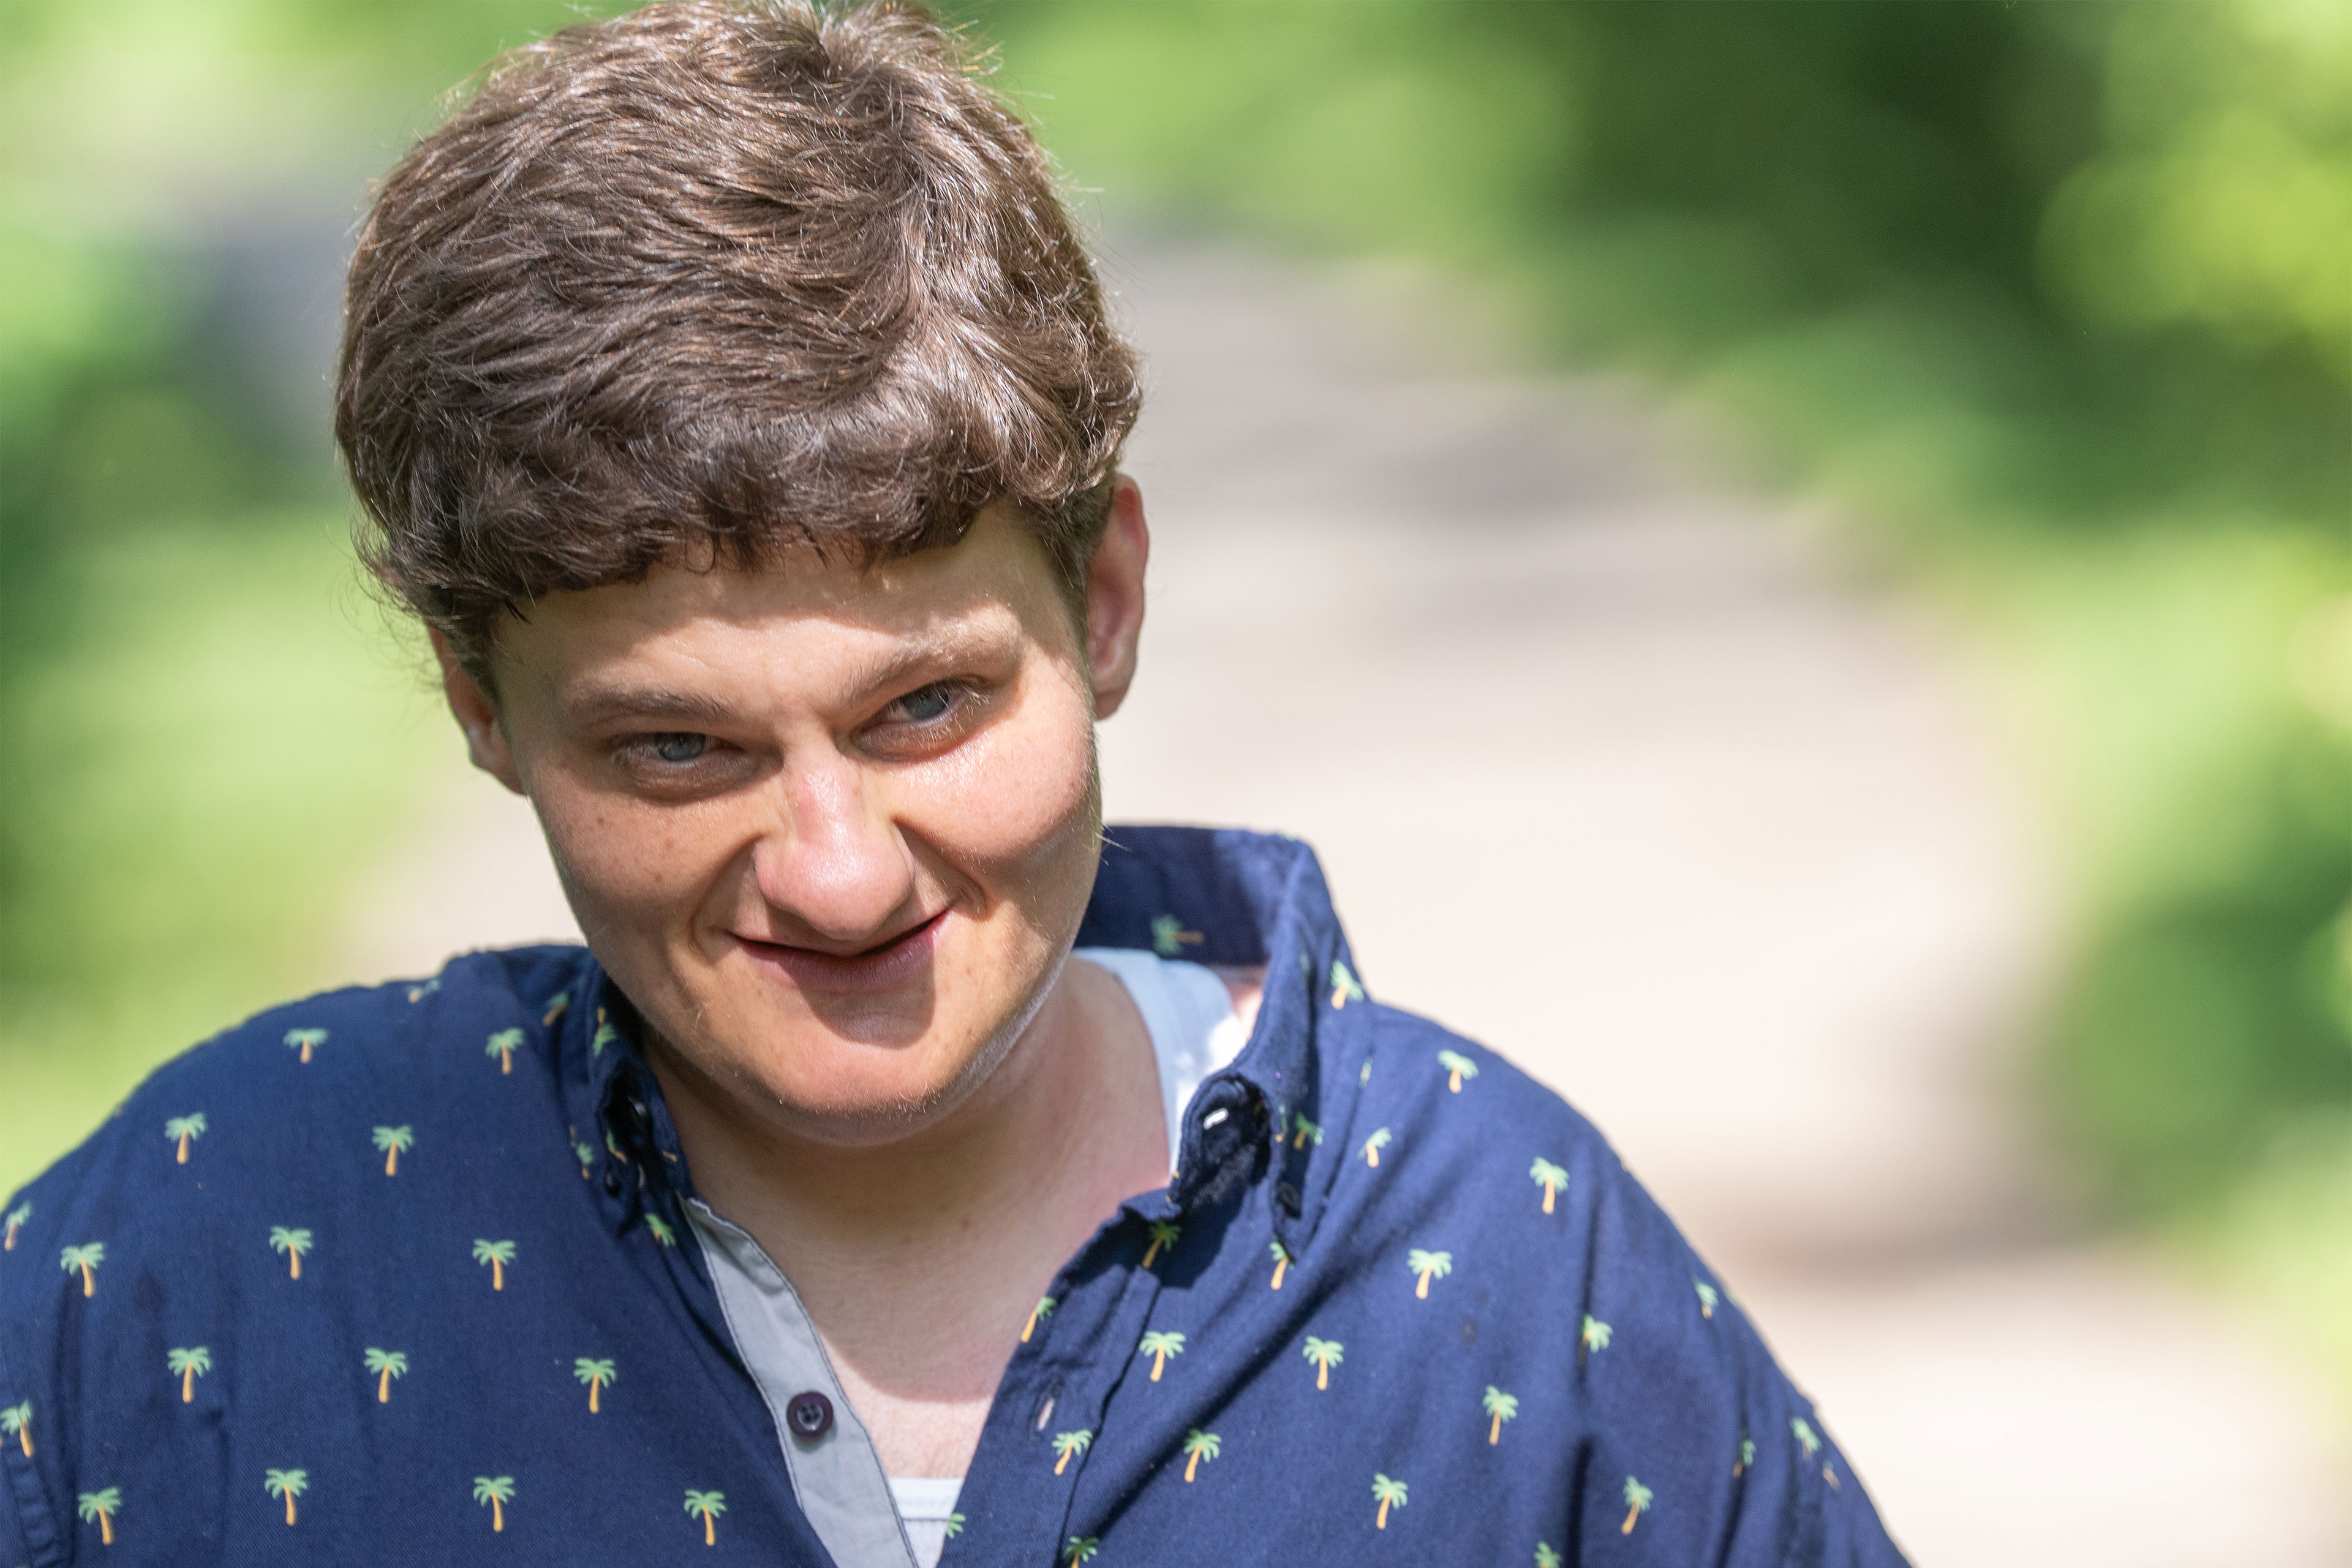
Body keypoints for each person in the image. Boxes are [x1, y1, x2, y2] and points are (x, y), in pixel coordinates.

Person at [0, 3, 1909, 1563]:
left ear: (1107, 600)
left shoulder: (1507, 1265)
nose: (836, 878)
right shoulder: (202, 1264)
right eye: (680, 748)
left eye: (923, 711)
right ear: (480, 708)